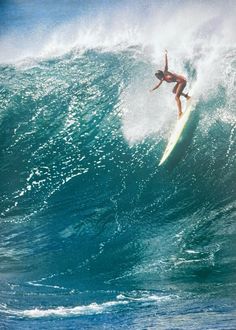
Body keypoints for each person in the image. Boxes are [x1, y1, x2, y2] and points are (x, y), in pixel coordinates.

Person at [150, 50, 190, 118]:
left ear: (160, 74)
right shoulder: (162, 79)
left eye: (158, 76)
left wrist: (165, 53)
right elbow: (158, 85)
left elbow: (166, 63)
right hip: (179, 82)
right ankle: (186, 96)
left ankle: (180, 112)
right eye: (157, 77)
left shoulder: (165, 72)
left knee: (176, 97)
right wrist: (152, 89)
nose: (158, 78)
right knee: (174, 91)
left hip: (182, 81)